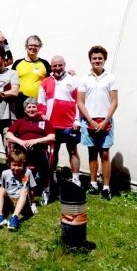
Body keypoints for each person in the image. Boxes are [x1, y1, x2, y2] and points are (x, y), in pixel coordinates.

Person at [77, 46, 118, 200]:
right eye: (94, 58)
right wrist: (90, 121)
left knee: (105, 154)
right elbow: (80, 102)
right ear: (90, 60)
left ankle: (106, 188)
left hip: (105, 120)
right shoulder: (84, 78)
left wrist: (106, 121)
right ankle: (93, 184)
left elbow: (114, 102)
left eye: (100, 58)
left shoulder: (111, 78)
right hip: (89, 121)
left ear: (104, 59)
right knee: (92, 153)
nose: (97, 61)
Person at [38, 55, 81, 186]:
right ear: (51, 67)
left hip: (69, 124)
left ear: (64, 65)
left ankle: (76, 180)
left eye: (60, 65)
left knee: (73, 151)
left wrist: (77, 120)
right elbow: (41, 101)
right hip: (52, 124)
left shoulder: (73, 79)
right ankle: (53, 176)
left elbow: (79, 101)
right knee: (53, 151)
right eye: (55, 66)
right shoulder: (45, 82)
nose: (57, 68)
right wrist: (42, 114)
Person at [6, 98, 55, 205]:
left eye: (34, 107)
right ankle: (16, 188)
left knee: (44, 160)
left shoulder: (44, 122)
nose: (31, 109)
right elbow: (8, 135)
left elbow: (52, 137)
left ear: (38, 109)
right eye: (29, 107)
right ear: (25, 110)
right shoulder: (20, 121)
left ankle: (45, 191)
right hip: (22, 150)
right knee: (17, 161)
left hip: (39, 149)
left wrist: (36, 140)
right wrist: (21, 141)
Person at [0, 150, 37, 231]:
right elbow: (3, 189)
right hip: (10, 199)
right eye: (14, 165)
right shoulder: (5, 173)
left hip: (22, 200)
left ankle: (14, 218)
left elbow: (32, 188)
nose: (16, 168)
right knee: (1, 189)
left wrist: (33, 203)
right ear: (9, 164)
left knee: (24, 190)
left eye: (19, 165)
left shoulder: (28, 172)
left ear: (23, 164)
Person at [12, 35, 51, 118]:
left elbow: (53, 78)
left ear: (40, 47)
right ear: (26, 47)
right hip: (20, 103)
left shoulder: (44, 63)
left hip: (39, 103)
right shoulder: (17, 63)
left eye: (36, 45)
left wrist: (68, 73)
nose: (33, 47)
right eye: (31, 45)